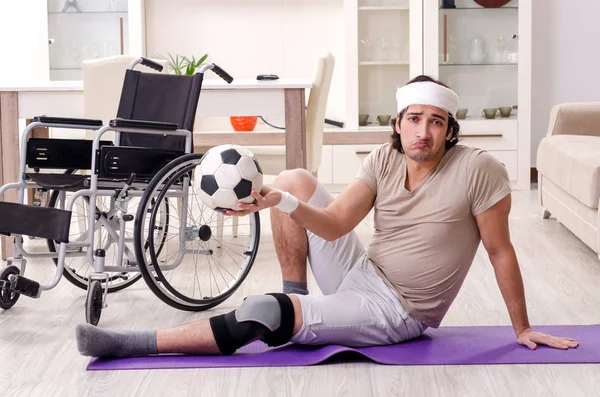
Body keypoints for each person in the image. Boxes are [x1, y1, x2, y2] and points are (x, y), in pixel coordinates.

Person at [76, 75, 578, 358]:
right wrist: (280, 201)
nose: (423, 131)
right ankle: (297, 297)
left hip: (397, 312)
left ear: (449, 130)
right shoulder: (383, 159)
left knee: (264, 313)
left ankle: (128, 344)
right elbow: (337, 223)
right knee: (294, 179)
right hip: (363, 276)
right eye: (414, 119)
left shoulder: (479, 170)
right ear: (398, 124)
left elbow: (499, 249)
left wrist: (522, 327)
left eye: (436, 121)